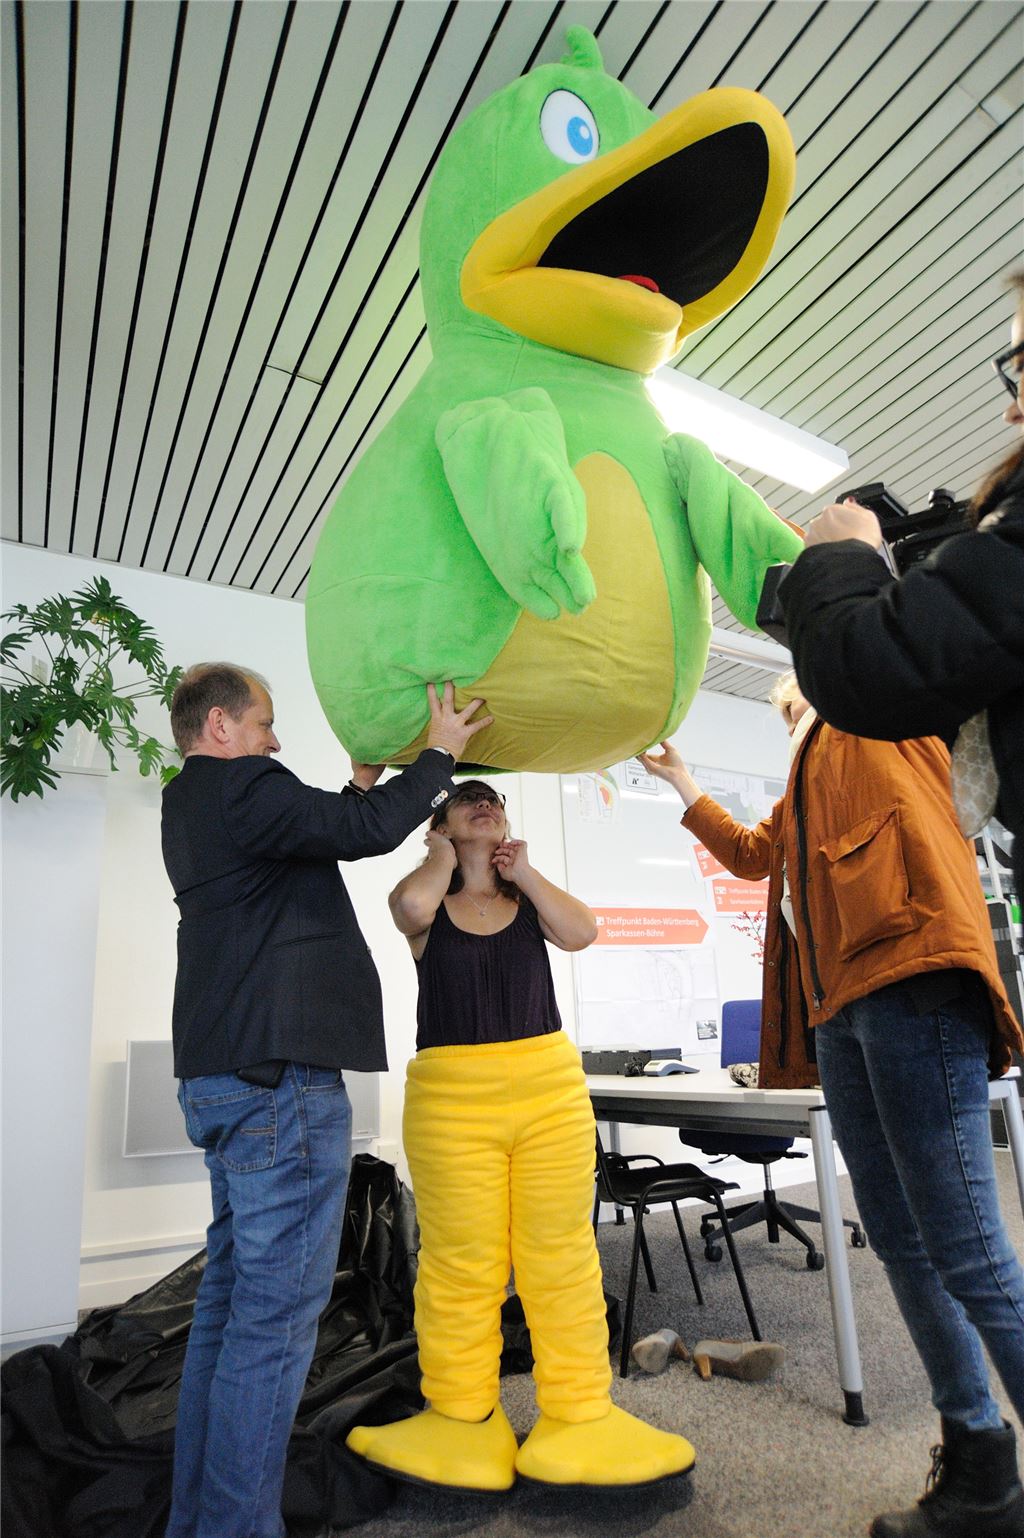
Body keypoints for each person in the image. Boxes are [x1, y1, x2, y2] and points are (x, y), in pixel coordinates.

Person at [640, 672, 1024, 1538]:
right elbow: (748, 854)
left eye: (798, 700)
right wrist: (680, 780)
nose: (791, 718)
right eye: (785, 710)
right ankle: (981, 1467)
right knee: (901, 1241)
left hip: (911, 982)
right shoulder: (809, 780)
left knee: (967, 1247)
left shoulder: (885, 712)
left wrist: (848, 641)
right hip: (841, 1010)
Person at [161, 667, 490, 1538]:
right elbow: (367, 834)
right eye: (265, 725)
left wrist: (357, 787)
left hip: (221, 1075)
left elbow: (327, 829)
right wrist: (440, 756)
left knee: (229, 1312)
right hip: (282, 1083)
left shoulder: (189, 804)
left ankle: (198, 1522)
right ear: (224, 726)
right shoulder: (247, 783)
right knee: (271, 1327)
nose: (275, 740)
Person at [345, 780, 695, 1492]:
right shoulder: (427, 905)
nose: (487, 803)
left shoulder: (527, 905)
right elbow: (407, 906)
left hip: (547, 1094)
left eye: (495, 799)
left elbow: (583, 931)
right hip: (453, 1103)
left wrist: (524, 870)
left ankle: (579, 1413)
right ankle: (461, 1416)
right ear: (439, 824)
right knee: (461, 1264)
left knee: (561, 1257)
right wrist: (440, 856)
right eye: (468, 799)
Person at [778, 268, 1024, 901]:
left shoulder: (861, 748)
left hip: (912, 945)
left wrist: (843, 558)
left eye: (1019, 367)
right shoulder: (805, 773)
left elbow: (873, 671)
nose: (1011, 405)